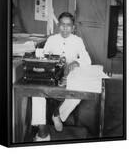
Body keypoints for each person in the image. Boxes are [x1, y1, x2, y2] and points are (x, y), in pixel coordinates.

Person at [32, 12, 91, 141]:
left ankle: (58, 114)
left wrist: (77, 62)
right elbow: (44, 57)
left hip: (70, 76)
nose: (65, 28)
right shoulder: (52, 39)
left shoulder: (77, 40)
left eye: (68, 25)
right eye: (62, 25)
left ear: (73, 27)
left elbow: (87, 59)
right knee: (37, 93)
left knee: (77, 95)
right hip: (52, 75)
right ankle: (42, 131)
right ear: (58, 25)